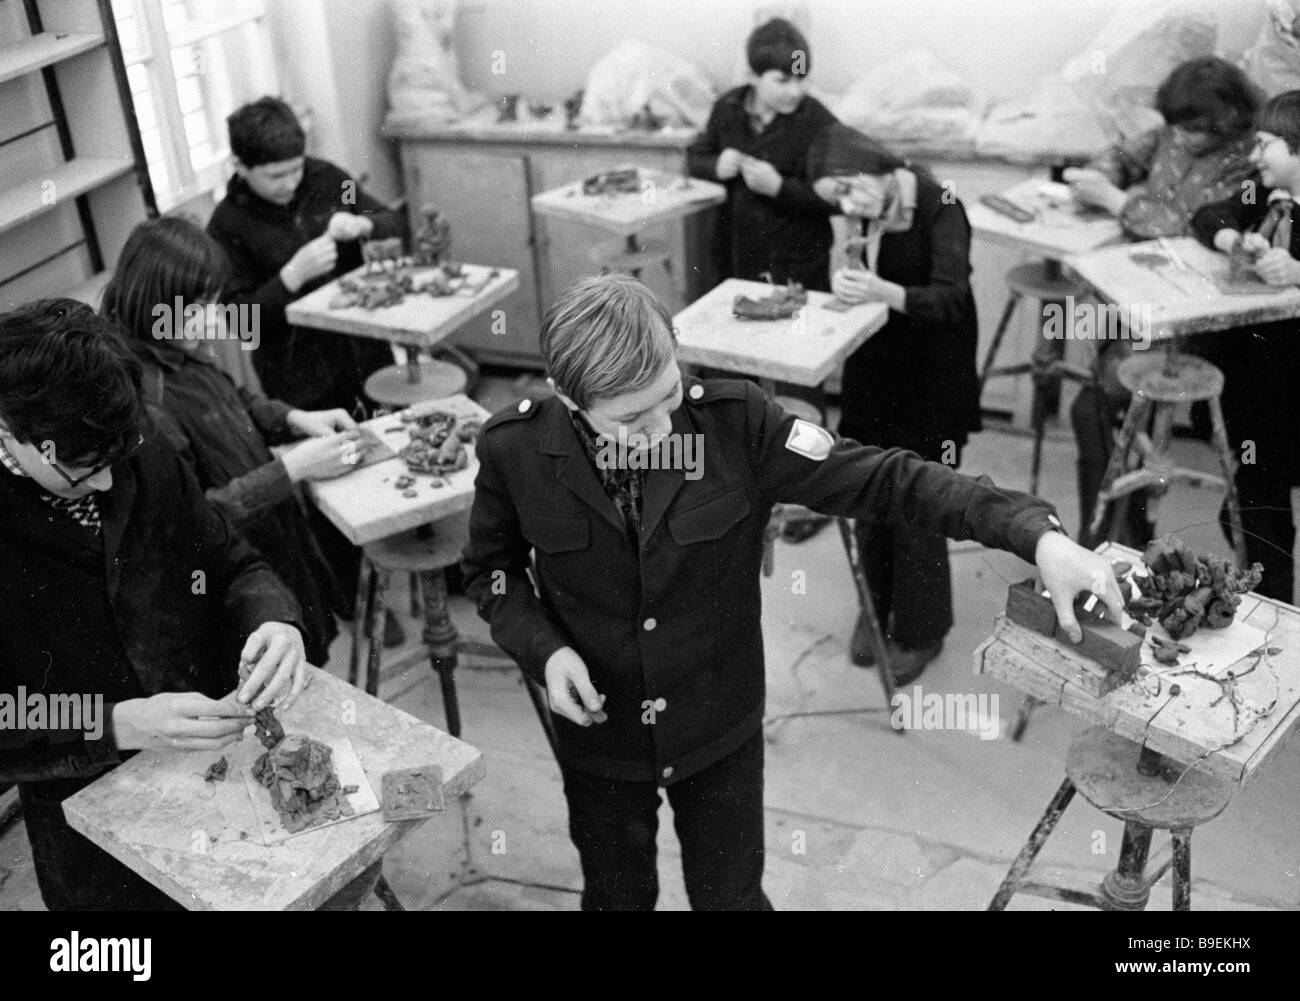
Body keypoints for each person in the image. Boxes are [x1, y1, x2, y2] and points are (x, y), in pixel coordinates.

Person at [460, 273, 1127, 911]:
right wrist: (544, 651)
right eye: (632, 419)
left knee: (730, 898)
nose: (662, 430)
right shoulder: (515, 449)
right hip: (600, 738)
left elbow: (886, 480)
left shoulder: (736, 424)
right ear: (569, 400)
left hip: (716, 727)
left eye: (669, 393)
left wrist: (1036, 535)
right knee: (616, 897)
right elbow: (491, 571)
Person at [0, 299, 308, 909]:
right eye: (83, 473)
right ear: (12, 432)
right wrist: (118, 722)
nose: (110, 484)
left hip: (212, 762)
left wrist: (273, 617)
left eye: (116, 460)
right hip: (87, 812)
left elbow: (229, 560)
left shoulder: (135, 441)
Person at [101, 216, 368, 665]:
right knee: (277, 679)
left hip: (273, 542)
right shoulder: (146, 399)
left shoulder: (174, 345)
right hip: (231, 579)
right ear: (152, 303)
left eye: (213, 302)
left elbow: (231, 397)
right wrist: (293, 469)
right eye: (195, 309)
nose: (212, 320)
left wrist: (296, 418)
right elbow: (200, 515)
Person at [1064, 57, 1263, 548]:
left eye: (1196, 129)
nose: (1185, 138)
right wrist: (1099, 176)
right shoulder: (1174, 132)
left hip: (1184, 316)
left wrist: (1116, 201)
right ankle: (1118, 526)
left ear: (1232, 116)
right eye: (1179, 128)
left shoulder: (1249, 160)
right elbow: (1124, 155)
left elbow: (1190, 222)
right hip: (1131, 290)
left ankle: (1106, 536)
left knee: (1092, 408)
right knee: (1088, 376)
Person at [808, 124, 981, 680]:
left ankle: (920, 629)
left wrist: (885, 291)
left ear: (874, 166)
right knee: (866, 488)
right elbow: (854, 269)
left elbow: (952, 299)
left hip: (932, 373)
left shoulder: (941, 204)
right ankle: (875, 604)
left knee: (917, 501)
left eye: (848, 191)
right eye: (836, 200)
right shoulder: (863, 204)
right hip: (875, 366)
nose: (846, 205)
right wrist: (847, 274)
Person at [207, 96, 404, 414]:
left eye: (296, 169)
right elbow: (241, 322)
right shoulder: (226, 226)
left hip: (367, 354)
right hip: (300, 380)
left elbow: (393, 223)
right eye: (275, 176)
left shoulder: (328, 179)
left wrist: (362, 223)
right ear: (240, 167)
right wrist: (290, 277)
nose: (290, 183)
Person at [1189, 89, 1300, 603]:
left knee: (1260, 506)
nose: (1255, 156)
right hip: (1257, 381)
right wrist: (1238, 240)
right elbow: (1208, 216)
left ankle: (1276, 610)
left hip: (1290, 394)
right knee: (1250, 499)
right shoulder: (1263, 191)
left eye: (1268, 144)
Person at [687, 17, 838, 292]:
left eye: (801, 80)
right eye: (782, 81)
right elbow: (696, 157)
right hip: (735, 259)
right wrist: (715, 166)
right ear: (753, 77)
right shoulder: (728, 108)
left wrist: (781, 188)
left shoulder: (819, 122)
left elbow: (841, 198)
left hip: (799, 267)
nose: (795, 91)